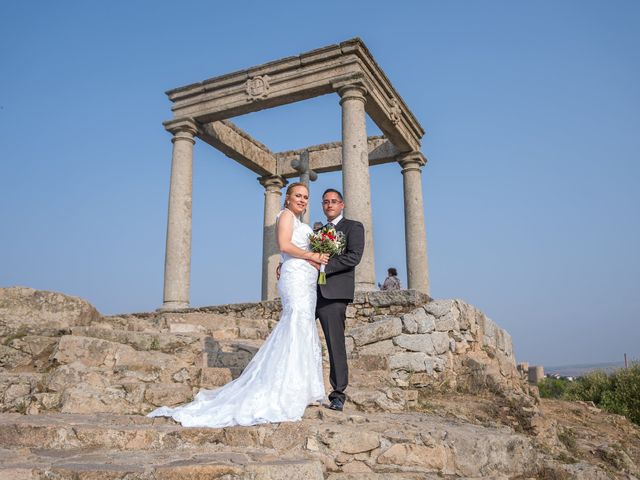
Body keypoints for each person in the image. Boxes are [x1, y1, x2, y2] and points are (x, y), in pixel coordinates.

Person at [148, 182, 329, 427]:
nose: (302, 200)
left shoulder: (303, 225)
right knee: (295, 322)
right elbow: (284, 246)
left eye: (306, 197)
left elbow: (292, 250)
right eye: (297, 195)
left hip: (306, 280)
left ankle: (305, 388)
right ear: (286, 199)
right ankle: (288, 388)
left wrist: (316, 258)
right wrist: (311, 256)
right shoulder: (285, 216)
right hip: (295, 278)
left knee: (304, 325)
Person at [311, 189, 365, 412]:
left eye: (334, 202)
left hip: (334, 293)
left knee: (335, 344)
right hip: (310, 292)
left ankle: (338, 393)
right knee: (298, 337)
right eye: (326, 202)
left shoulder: (353, 227)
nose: (329, 205)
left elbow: (354, 256)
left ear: (342, 205)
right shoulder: (318, 231)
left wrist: (324, 265)